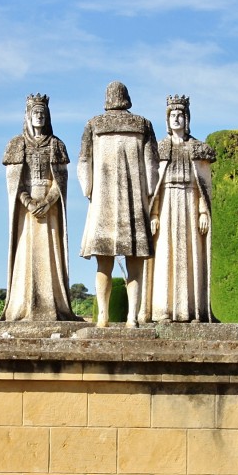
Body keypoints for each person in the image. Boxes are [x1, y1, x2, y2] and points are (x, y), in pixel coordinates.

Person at [78, 81, 159, 327]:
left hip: (103, 203)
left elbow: (84, 162)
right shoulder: (142, 125)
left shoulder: (94, 124)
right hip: (133, 203)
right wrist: (148, 193)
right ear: (127, 98)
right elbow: (152, 166)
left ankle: (103, 315)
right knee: (135, 262)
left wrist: (89, 190)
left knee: (104, 262)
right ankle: (132, 317)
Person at [0, 94, 81, 321]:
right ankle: (23, 304)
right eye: (35, 112)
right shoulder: (17, 144)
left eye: (42, 113)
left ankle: (53, 304)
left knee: (51, 255)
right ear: (27, 115)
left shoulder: (56, 145)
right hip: (26, 212)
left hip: (50, 209)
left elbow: (60, 181)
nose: (39, 116)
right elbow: (14, 182)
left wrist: (47, 202)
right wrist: (27, 201)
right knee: (25, 255)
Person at [142, 94, 216, 323]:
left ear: (187, 119)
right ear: (167, 120)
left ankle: (190, 309)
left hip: (190, 203)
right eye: (172, 116)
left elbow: (204, 185)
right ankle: (162, 309)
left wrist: (203, 210)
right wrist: (153, 214)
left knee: (190, 257)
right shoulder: (159, 148)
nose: (176, 119)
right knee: (164, 255)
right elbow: (154, 186)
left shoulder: (197, 148)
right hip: (165, 206)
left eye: (180, 115)